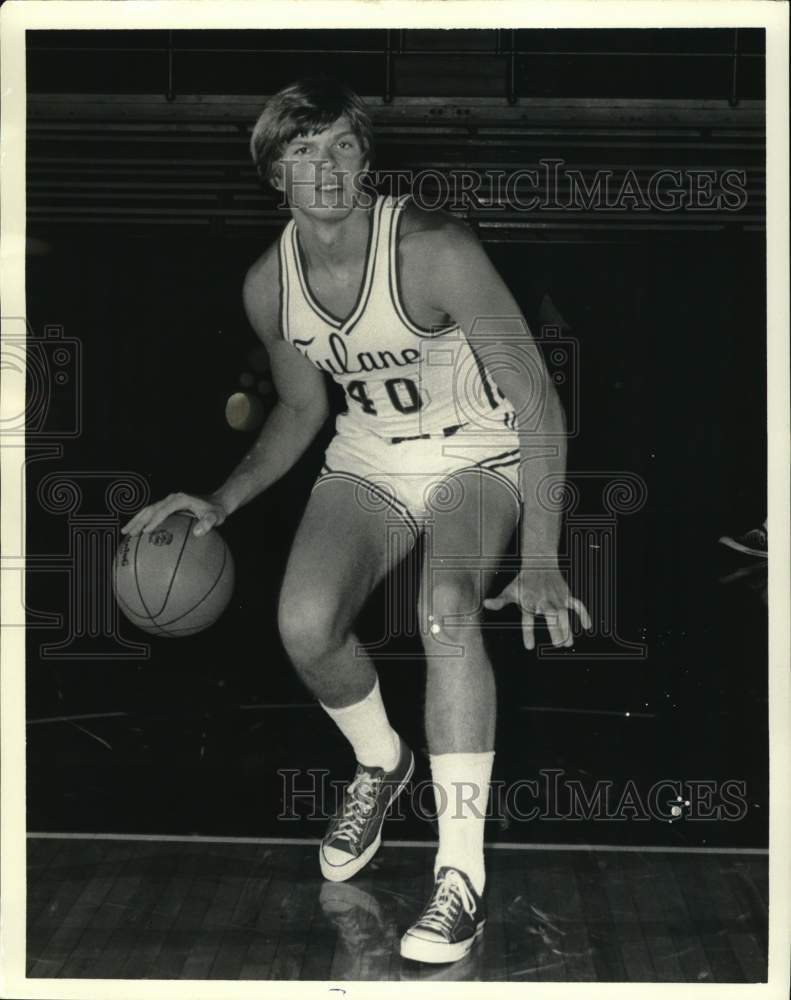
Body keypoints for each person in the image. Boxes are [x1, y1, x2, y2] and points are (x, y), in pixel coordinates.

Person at [121, 77, 591, 965]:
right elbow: (300, 410)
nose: (326, 167)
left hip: (474, 454)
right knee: (302, 624)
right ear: (274, 176)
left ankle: (459, 875)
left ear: (366, 158)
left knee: (447, 607)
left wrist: (540, 557)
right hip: (370, 457)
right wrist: (218, 501)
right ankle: (381, 763)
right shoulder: (270, 287)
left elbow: (534, 401)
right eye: (302, 153)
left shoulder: (433, 248)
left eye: (340, 146)